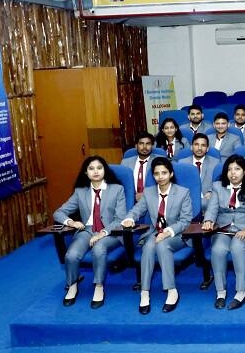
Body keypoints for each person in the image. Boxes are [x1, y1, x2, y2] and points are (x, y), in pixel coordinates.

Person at [121, 157, 192, 314]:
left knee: (162, 244)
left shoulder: (183, 192)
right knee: (148, 247)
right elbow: (137, 210)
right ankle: (144, 292)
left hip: (177, 234)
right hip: (155, 232)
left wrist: (167, 232)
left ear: (171, 174)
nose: (160, 177)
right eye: (157, 173)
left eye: (164, 173)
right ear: (153, 175)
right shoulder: (148, 192)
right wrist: (129, 218)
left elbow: (186, 221)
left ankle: (171, 290)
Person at [53, 156, 127, 309]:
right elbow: (58, 213)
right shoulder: (80, 192)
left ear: (105, 170)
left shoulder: (117, 189)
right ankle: (72, 285)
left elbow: (120, 219)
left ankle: (99, 286)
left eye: (99, 168)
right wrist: (71, 222)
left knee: (99, 249)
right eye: (91, 168)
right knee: (71, 255)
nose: (96, 171)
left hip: (111, 232)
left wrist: (102, 233)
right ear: (86, 173)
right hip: (87, 230)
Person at [202, 155, 245, 310]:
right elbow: (212, 208)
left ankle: (241, 291)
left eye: (237, 169)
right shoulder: (218, 186)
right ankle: (221, 292)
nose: (233, 173)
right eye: (229, 169)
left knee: (237, 246)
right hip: (223, 229)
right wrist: (208, 220)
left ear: (244, 171)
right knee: (218, 249)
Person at [178, 132, 220, 212]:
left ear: (207, 148)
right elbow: (179, 184)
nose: (199, 148)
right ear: (191, 147)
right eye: (196, 144)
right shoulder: (182, 163)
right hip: (187, 200)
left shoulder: (215, 163)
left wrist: (211, 191)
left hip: (208, 200)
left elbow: (218, 181)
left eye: (203, 145)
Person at [120, 131, 155, 201]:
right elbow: (121, 184)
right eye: (141, 144)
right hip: (130, 199)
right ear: (136, 146)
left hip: (152, 200)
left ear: (152, 146)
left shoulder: (160, 161)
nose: (144, 147)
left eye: (148, 144)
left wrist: (145, 194)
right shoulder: (125, 162)